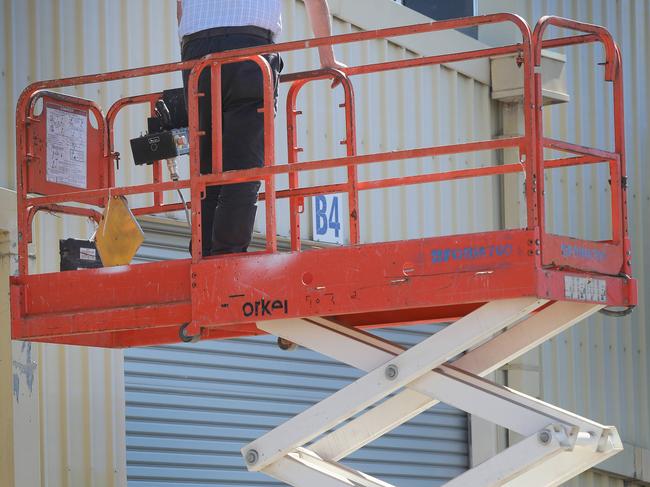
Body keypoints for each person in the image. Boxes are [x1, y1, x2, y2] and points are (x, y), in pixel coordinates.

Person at [177, 0, 345, 256]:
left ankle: (202, 254)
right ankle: (227, 256)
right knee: (245, 165)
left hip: (196, 51)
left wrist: (189, 52)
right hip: (248, 47)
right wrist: (327, 58)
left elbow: (181, 7)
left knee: (206, 164)